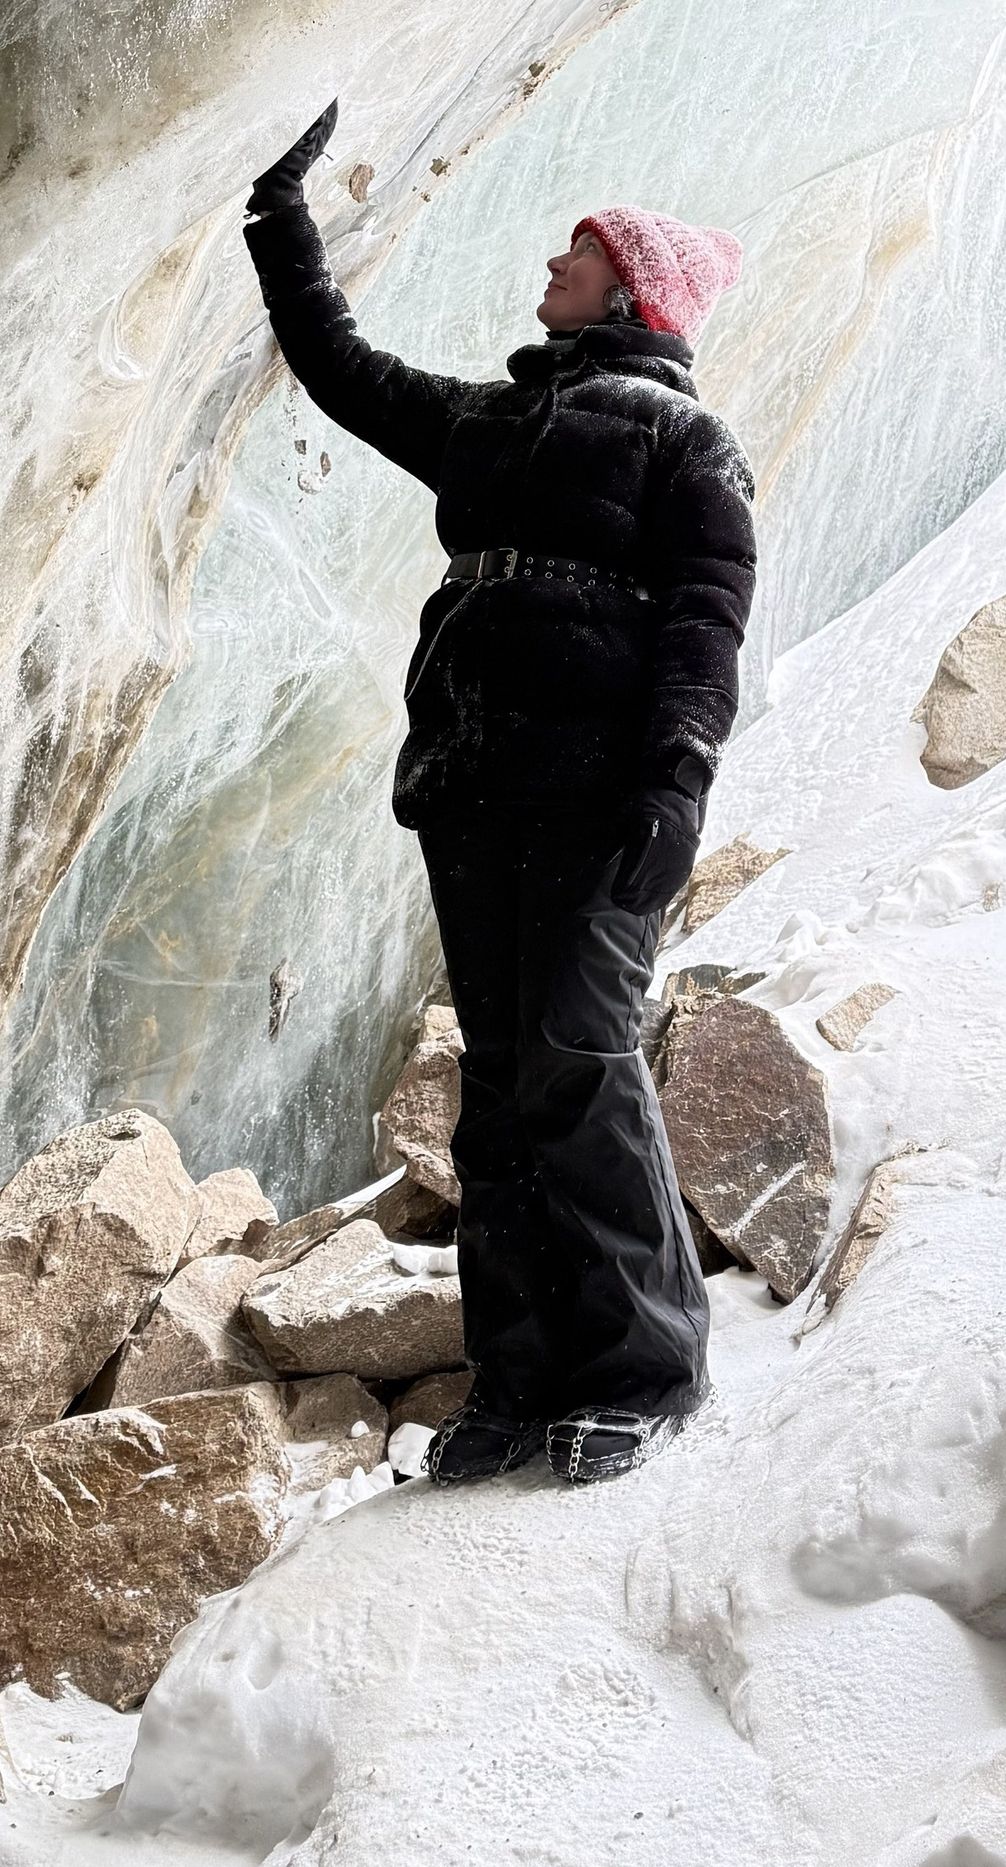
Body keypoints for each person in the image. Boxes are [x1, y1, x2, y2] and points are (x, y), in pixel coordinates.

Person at [243, 101, 756, 1486]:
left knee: (581, 1063)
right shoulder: (496, 419)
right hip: (475, 790)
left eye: (576, 253)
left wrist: (677, 788)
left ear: (631, 287)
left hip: (600, 804)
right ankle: (520, 1378)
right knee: (501, 1085)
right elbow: (343, 369)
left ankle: (646, 1373)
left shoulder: (686, 444)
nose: (551, 266)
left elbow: (705, 628)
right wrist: (279, 217)